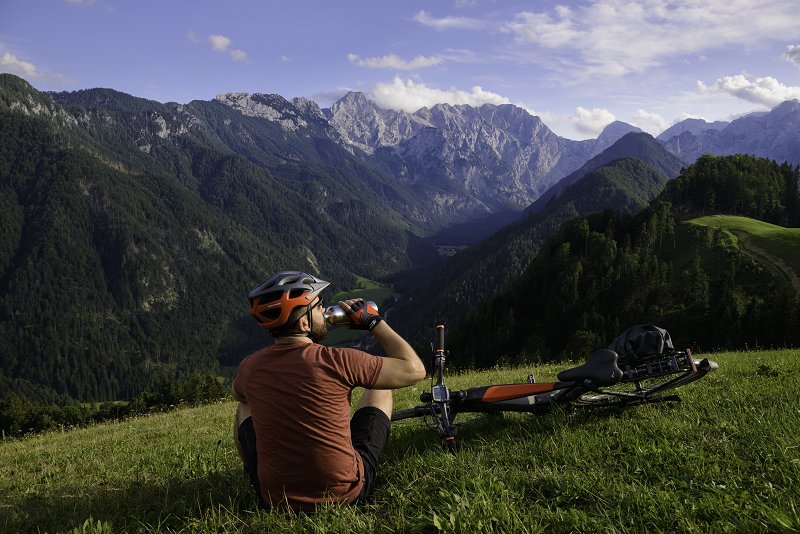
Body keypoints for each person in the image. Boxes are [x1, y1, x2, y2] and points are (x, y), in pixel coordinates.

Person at [232, 271, 426, 512]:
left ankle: (253, 471)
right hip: (344, 494)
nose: (323, 311)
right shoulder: (338, 360)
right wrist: (373, 321)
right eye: (318, 306)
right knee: (381, 385)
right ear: (304, 323)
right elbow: (415, 369)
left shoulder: (249, 368)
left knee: (244, 407)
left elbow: (240, 396)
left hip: (274, 499)